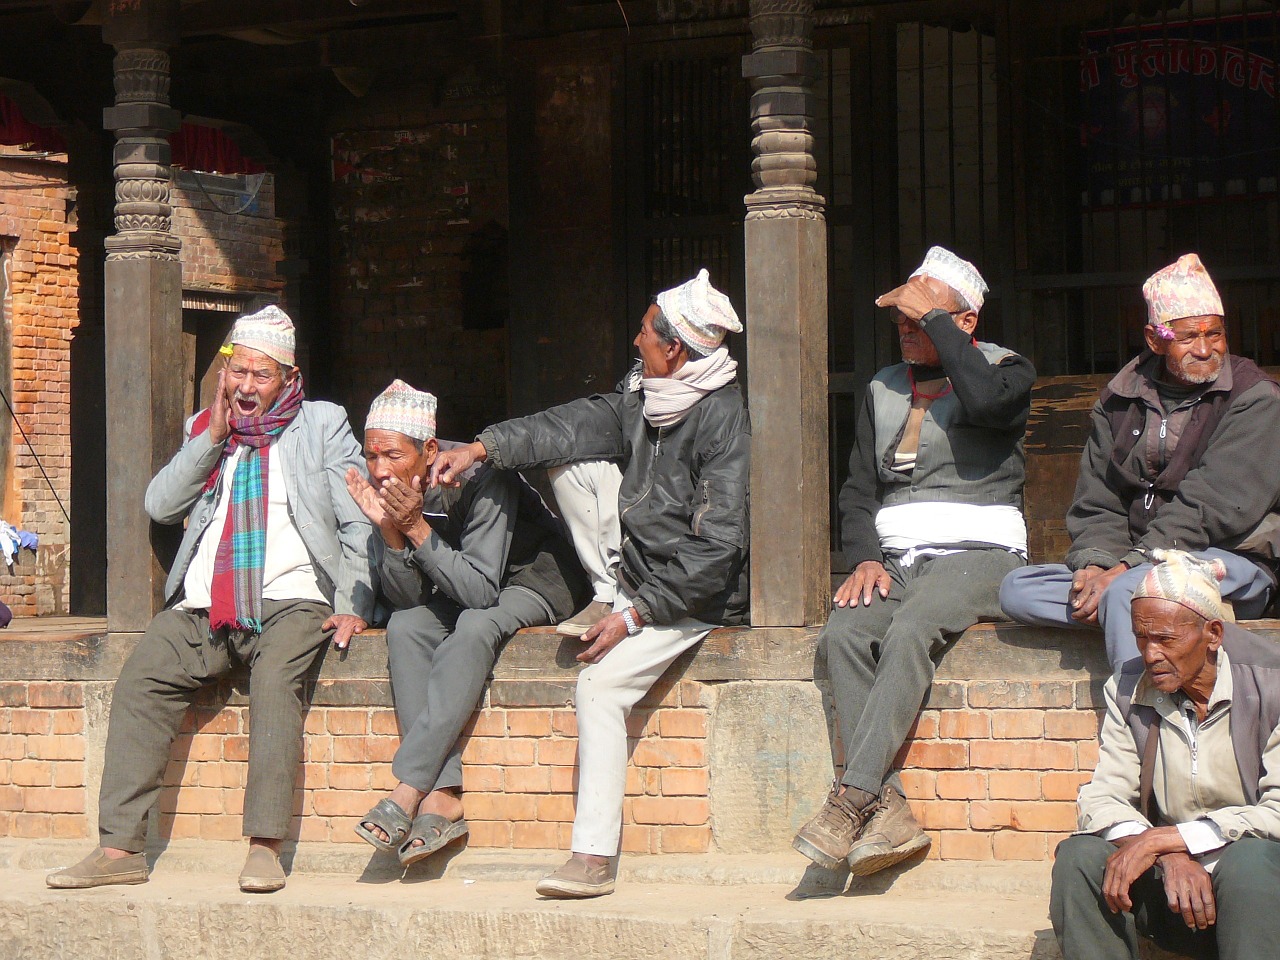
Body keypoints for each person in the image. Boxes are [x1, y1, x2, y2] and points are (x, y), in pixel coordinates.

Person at [430, 268, 749, 898]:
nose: (636, 341)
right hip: (644, 581)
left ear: (675, 349)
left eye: (644, 333)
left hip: (693, 597)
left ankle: (592, 857)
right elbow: (573, 422)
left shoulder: (723, 422)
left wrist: (635, 616)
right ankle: (611, 587)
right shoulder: (648, 400)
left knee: (598, 687)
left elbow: (716, 553)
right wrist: (480, 449)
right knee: (568, 457)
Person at [47, 306, 374, 894]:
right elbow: (160, 505)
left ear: (288, 377)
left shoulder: (322, 424)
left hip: (292, 598)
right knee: (141, 675)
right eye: (238, 372)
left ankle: (265, 846)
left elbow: (357, 525)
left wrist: (352, 600)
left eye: (261, 376)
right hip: (205, 602)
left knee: (276, 685)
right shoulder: (207, 425)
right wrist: (212, 439)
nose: (247, 388)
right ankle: (120, 847)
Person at [793, 246, 1035, 877]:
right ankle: (889, 807)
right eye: (901, 321)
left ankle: (851, 798)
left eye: (922, 318)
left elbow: (984, 405)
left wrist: (935, 323)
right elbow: (857, 487)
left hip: (980, 555)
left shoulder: (1005, 370)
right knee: (846, 632)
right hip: (901, 557)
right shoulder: (881, 386)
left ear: (966, 321)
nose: (907, 330)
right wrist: (864, 558)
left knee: (909, 630)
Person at [345, 380, 587, 867]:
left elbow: (482, 595)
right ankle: (445, 794)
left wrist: (415, 527)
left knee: (474, 629)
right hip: (466, 587)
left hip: (533, 581)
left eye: (392, 455)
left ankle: (412, 787)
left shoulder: (480, 476)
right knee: (407, 626)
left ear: (429, 449)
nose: (379, 470)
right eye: (371, 457)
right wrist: (392, 532)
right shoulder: (386, 493)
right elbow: (408, 599)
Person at [1000, 254, 1280, 669]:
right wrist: (1095, 566)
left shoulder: (1254, 397)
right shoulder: (1119, 399)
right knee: (1018, 588)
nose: (1205, 349)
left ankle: (1143, 714)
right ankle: (1172, 621)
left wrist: (1129, 568)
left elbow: (1215, 506)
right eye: (1188, 337)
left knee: (1130, 590)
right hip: (1132, 566)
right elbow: (1099, 501)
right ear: (1155, 338)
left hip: (1228, 559)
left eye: (1215, 334)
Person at [1051, 550, 1280, 960]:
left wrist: (1169, 838)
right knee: (1080, 857)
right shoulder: (1129, 686)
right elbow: (1101, 796)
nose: (1151, 653)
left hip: (1260, 896)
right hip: (1177, 893)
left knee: (1250, 862)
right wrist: (1168, 852)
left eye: (1166, 639)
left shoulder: (1272, 687)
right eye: (1142, 636)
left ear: (1212, 633)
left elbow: (1277, 812)